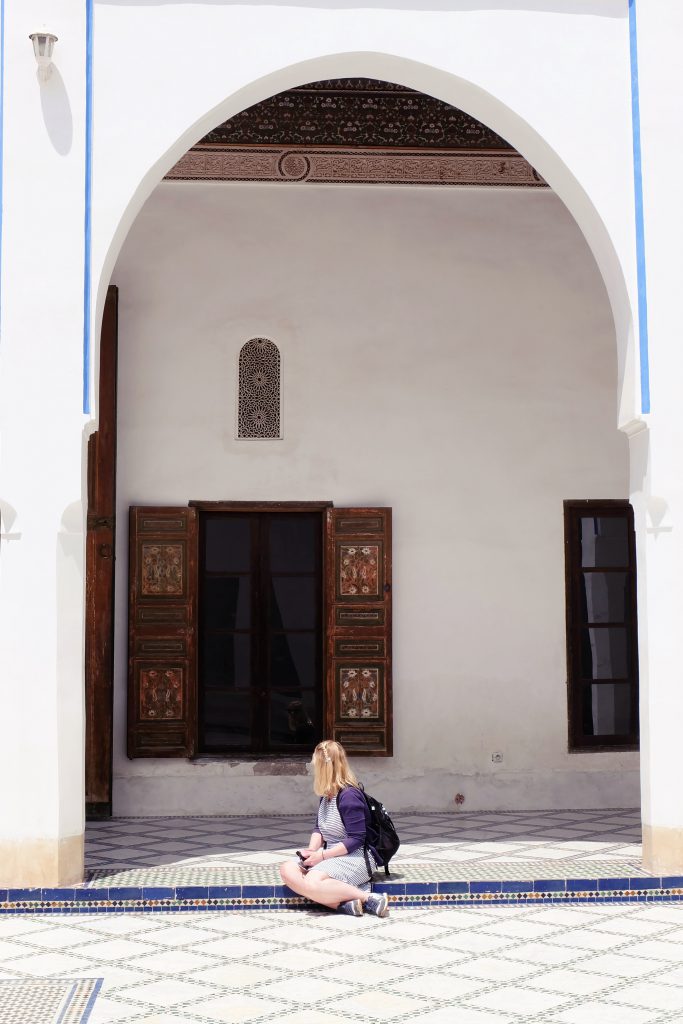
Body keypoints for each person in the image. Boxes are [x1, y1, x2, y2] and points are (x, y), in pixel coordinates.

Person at [279, 739, 389, 917]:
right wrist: (311, 850)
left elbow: (356, 838)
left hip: (356, 857)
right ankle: (343, 904)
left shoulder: (349, 796)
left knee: (312, 881)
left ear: (324, 768)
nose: (313, 769)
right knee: (287, 870)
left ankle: (369, 898)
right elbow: (319, 829)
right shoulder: (327, 795)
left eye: (316, 765)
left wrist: (321, 856)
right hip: (331, 856)